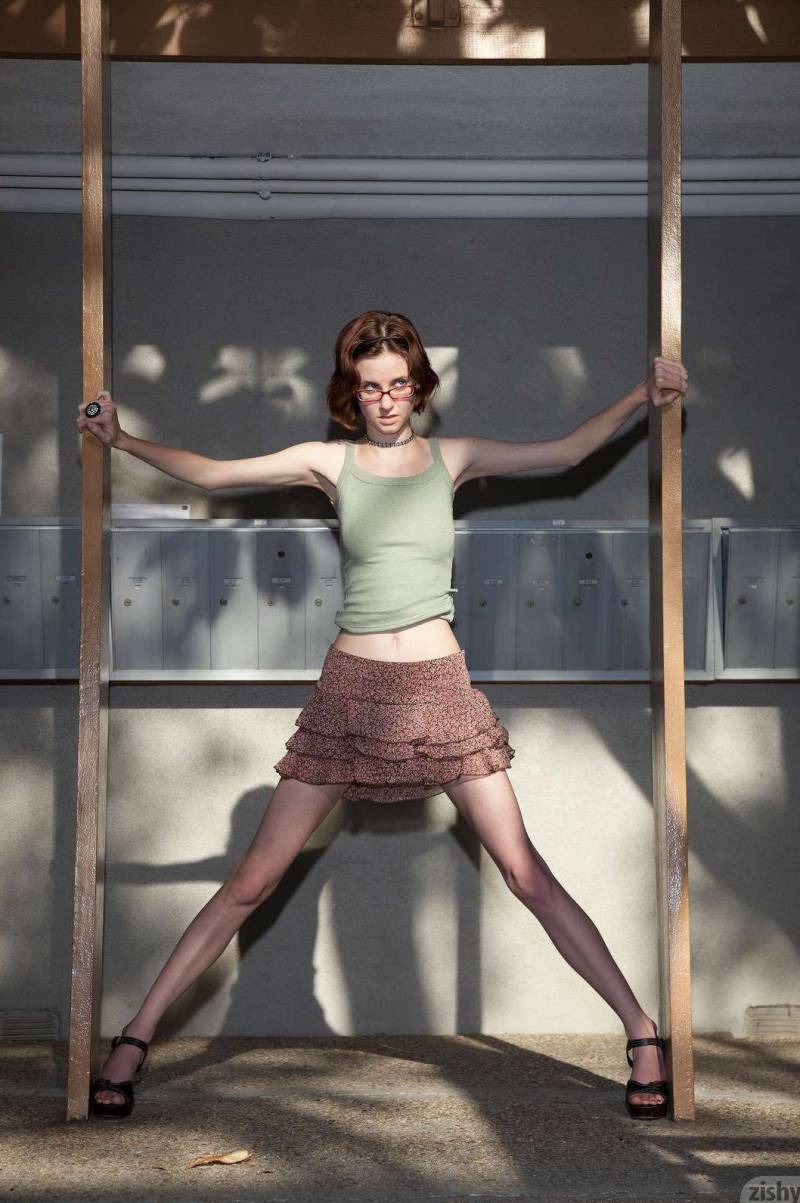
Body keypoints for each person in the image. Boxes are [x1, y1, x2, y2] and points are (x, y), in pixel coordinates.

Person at [76, 309, 688, 1121]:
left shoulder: (454, 458)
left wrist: (643, 395)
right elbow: (214, 474)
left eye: (399, 383)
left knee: (526, 873)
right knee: (251, 881)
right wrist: (121, 439)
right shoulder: (328, 462)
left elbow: (568, 452)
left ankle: (643, 1033)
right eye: (372, 387)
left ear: (418, 386)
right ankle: (134, 1038)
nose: (388, 399)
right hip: (351, 690)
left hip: (439, 687)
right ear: (352, 393)